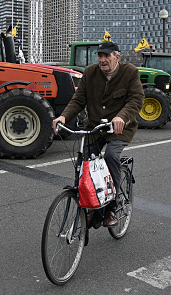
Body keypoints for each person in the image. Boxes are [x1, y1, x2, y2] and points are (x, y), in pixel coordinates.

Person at [52, 41, 144, 227]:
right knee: (85, 163)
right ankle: (90, 206)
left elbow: (136, 99)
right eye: (99, 56)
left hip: (120, 128)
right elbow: (78, 100)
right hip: (94, 127)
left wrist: (121, 117)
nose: (102, 60)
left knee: (111, 156)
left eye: (106, 56)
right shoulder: (90, 72)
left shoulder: (130, 72)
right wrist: (63, 117)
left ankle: (112, 207)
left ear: (117, 57)